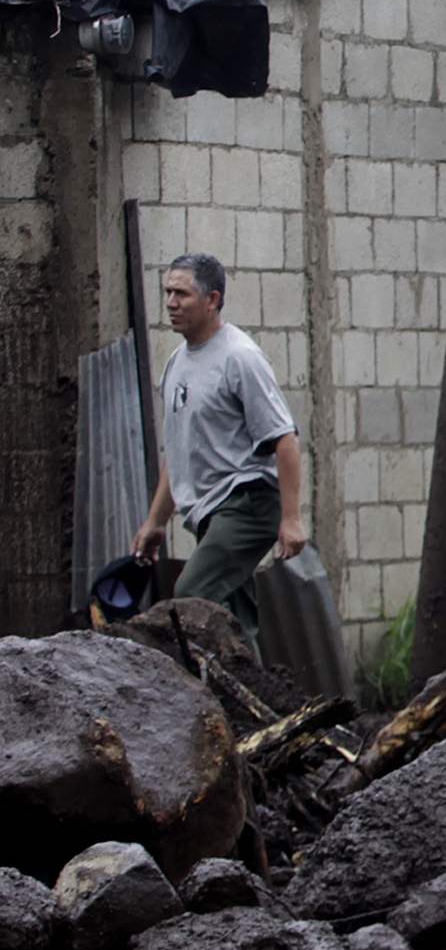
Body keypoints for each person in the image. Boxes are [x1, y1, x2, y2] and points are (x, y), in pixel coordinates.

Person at [129, 253, 305, 651]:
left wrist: (292, 519)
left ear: (212, 299)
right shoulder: (176, 364)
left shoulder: (239, 357)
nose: (171, 302)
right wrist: (156, 521)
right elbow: (179, 453)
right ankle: (259, 709)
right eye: (168, 292)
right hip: (211, 514)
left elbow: (285, 439)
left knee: (190, 599)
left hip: (247, 503)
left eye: (182, 294)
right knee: (236, 622)